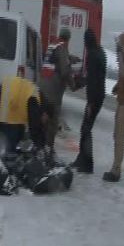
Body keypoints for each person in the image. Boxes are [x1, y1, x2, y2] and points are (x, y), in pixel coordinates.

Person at [71, 28, 106, 174]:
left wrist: (90, 102)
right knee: (86, 128)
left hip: (94, 97)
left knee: (85, 129)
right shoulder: (100, 52)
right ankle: (82, 159)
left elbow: (92, 80)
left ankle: (86, 163)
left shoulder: (92, 55)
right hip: (100, 95)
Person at [103, 32, 124, 182]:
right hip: (122, 102)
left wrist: (118, 55)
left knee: (120, 137)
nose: (120, 47)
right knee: (116, 136)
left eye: (121, 45)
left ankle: (116, 170)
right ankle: (115, 167)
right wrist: (118, 87)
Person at [38, 27, 75, 158]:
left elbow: (55, 61)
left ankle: (39, 145)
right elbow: (65, 71)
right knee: (53, 121)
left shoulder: (52, 45)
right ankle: (48, 149)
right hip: (53, 91)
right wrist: (73, 84)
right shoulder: (63, 48)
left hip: (42, 86)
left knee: (43, 118)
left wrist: (69, 59)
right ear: (68, 39)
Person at [0, 75, 50, 152]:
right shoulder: (36, 101)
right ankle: (7, 155)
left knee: (17, 128)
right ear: (45, 114)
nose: (44, 122)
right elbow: (34, 125)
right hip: (7, 93)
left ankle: (8, 151)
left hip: (6, 90)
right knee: (10, 129)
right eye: (46, 120)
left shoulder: (40, 98)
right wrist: (38, 144)